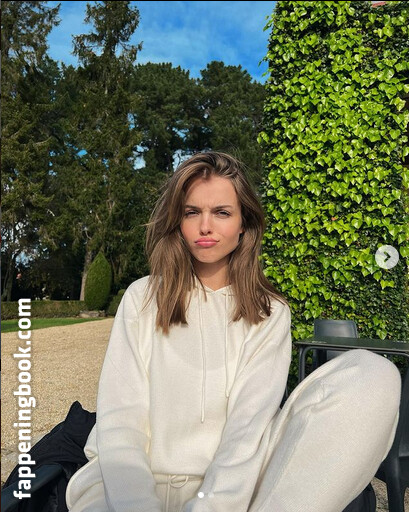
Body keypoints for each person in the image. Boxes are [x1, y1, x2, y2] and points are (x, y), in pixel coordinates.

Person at [66, 152, 401, 512]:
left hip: (240, 492)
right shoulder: (143, 297)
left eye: (222, 213)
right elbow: (121, 420)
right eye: (191, 212)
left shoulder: (269, 312)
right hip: (125, 491)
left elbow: (247, 428)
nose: (205, 226)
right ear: (177, 221)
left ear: (244, 224)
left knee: (374, 373)